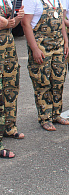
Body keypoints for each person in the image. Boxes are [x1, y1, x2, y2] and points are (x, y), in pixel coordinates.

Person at [21, 0, 69, 131]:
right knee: (42, 83)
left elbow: (61, 21)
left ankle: (57, 114)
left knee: (58, 81)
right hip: (41, 47)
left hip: (57, 45)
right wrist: (34, 48)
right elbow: (26, 24)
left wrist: (65, 40)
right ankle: (45, 117)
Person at [0, 0, 25, 140]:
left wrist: (17, 19)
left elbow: (10, 24)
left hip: (8, 47)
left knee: (11, 85)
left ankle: (9, 126)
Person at [0, 15, 15, 158]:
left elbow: (11, 23)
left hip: (7, 44)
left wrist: (13, 21)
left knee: (10, 88)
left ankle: (8, 127)